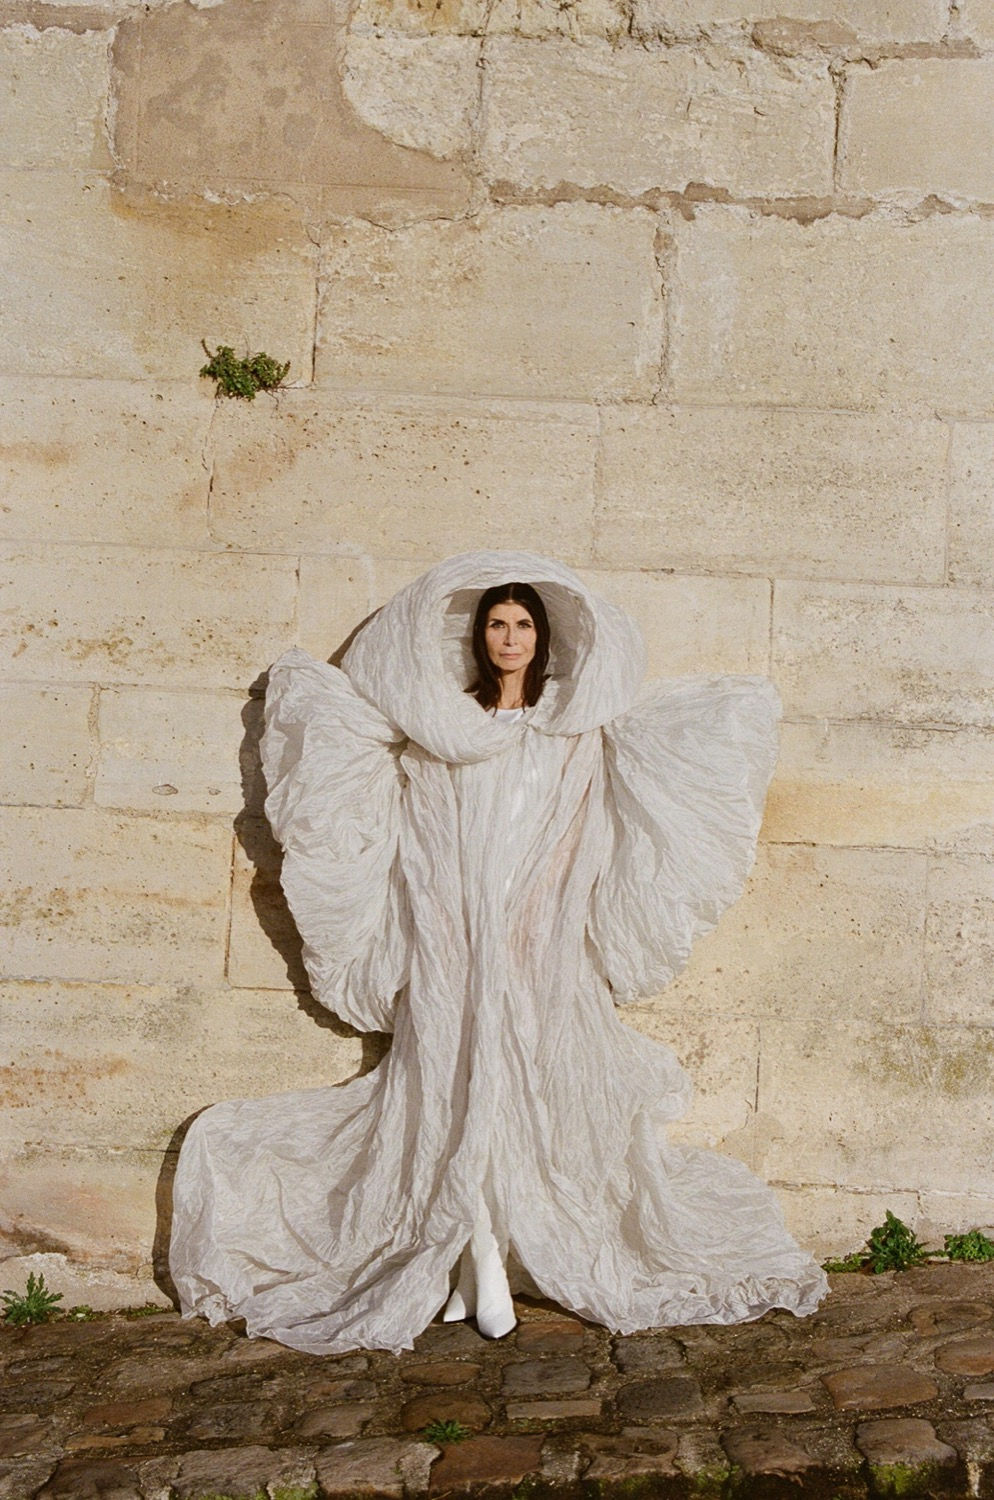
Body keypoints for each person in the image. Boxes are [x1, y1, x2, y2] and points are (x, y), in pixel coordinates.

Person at [169, 550, 827, 1355]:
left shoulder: (568, 733)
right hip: (452, 944)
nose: (509, 638)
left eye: (521, 625)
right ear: (479, 637)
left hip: (538, 945)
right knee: (449, 1091)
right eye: (496, 624)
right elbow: (424, 842)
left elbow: (574, 840)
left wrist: (530, 923)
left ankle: (483, 1256)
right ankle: (470, 1252)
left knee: (524, 1091)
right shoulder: (443, 731)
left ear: (542, 638)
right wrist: (451, 930)